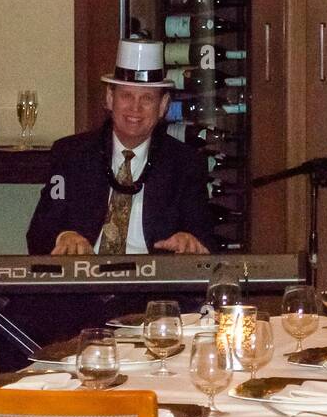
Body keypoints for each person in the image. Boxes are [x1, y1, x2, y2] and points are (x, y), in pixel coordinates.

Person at [26, 39, 215, 255]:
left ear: (163, 106)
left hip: (151, 283)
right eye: (126, 96)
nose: (135, 108)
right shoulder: (71, 155)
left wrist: (189, 241)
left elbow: (206, 239)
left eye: (147, 98)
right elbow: (38, 234)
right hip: (87, 279)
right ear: (109, 98)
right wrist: (63, 236)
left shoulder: (185, 163)